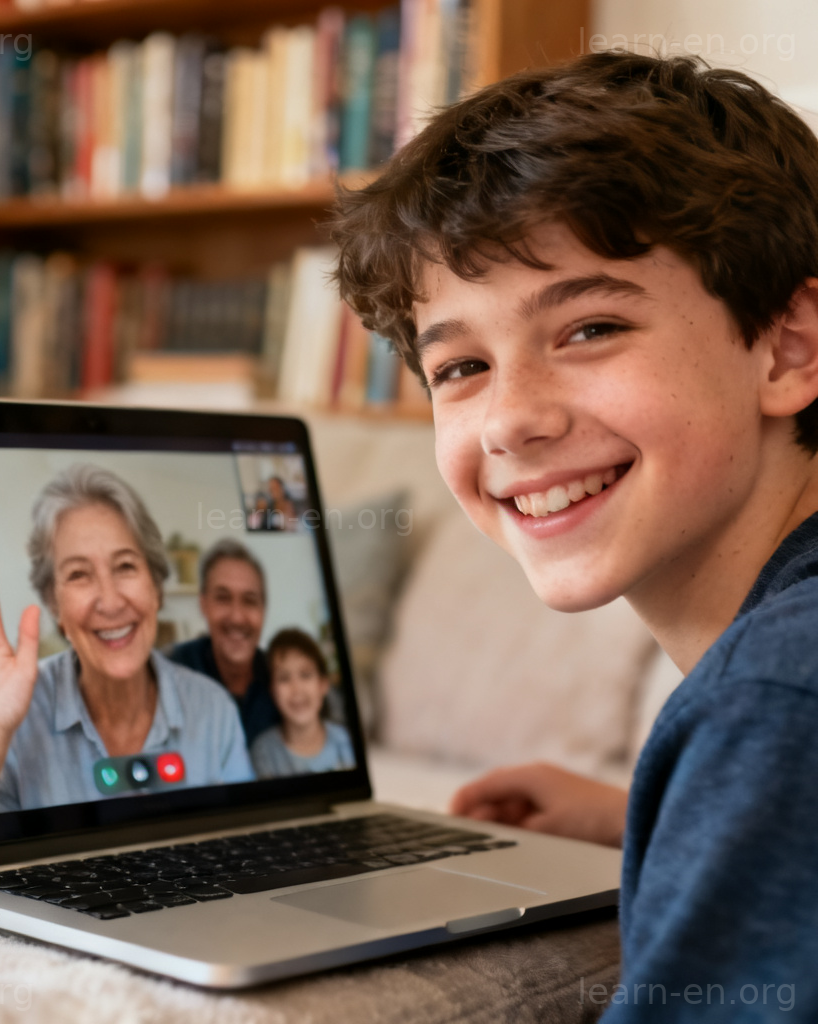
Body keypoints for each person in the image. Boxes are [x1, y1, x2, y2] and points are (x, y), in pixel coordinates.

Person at [332, 51, 818, 1018]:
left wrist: (741, 774)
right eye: (461, 368)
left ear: (787, 347)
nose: (512, 422)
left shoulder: (774, 705)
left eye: (589, 329)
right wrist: (676, 813)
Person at [0, 464, 253, 822]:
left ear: (155, 587)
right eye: (79, 574)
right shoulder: (15, 714)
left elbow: (247, 834)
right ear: (54, 604)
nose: (110, 601)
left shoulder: (214, 710)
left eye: (125, 566)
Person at [168, 538, 280, 746]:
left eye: (250, 601)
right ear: (203, 605)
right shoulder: (172, 672)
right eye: (223, 598)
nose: (237, 617)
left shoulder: (282, 677)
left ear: (263, 610)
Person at [250, 628, 354, 778]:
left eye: (305, 675)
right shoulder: (263, 752)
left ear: (323, 684)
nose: (296, 689)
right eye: (284, 678)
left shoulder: (346, 743)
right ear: (272, 691)